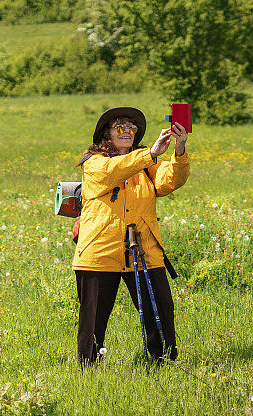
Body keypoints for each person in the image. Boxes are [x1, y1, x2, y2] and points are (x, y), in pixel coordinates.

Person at [71, 106, 190, 366]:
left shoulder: (146, 163)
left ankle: (165, 365)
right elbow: (113, 171)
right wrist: (150, 153)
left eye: (131, 128)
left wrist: (178, 151)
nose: (127, 132)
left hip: (144, 249)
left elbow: (169, 183)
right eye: (119, 128)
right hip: (99, 253)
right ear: (106, 134)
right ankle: (88, 371)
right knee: (93, 321)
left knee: (160, 312)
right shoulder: (93, 163)